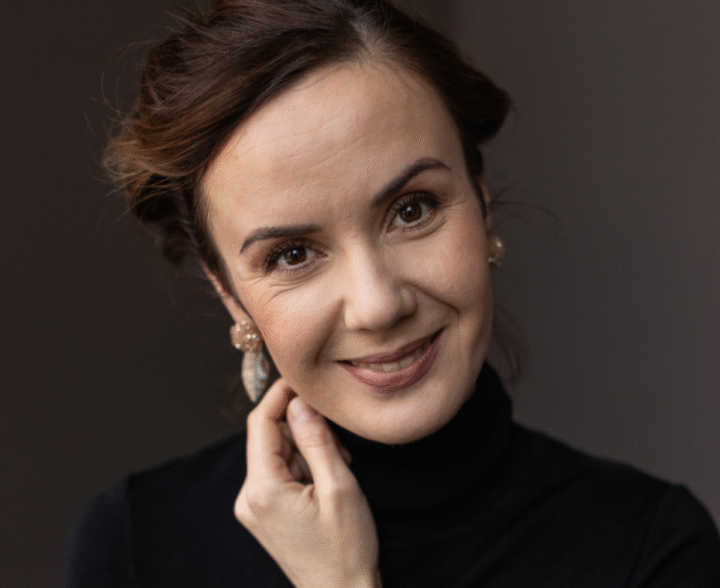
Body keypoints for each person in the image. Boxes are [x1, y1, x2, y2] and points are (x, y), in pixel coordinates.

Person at [63, 0, 720, 586]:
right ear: (231, 296)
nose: (379, 305)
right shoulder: (136, 545)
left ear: (482, 208)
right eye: (292, 254)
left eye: (412, 210)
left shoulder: (653, 548)